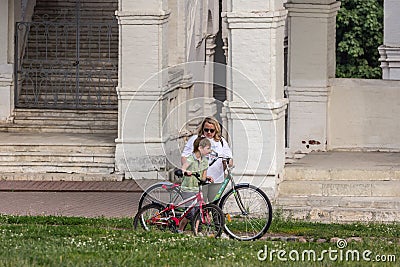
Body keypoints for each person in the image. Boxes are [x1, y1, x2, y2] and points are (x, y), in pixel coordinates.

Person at [181, 117, 233, 202]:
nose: (209, 132)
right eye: (206, 130)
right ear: (202, 129)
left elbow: (230, 160)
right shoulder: (195, 139)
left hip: (216, 179)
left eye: (212, 130)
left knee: (215, 206)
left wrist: (226, 162)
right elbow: (184, 156)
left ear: (216, 130)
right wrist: (187, 170)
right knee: (201, 206)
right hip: (199, 180)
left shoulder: (221, 141)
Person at [178, 136, 214, 232]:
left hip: (197, 189)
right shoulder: (191, 158)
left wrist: (207, 178)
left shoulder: (205, 161)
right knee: (190, 212)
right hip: (187, 188)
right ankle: (180, 229)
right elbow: (183, 168)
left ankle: (196, 231)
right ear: (200, 148)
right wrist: (186, 172)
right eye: (208, 148)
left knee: (197, 211)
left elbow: (202, 177)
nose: (210, 150)